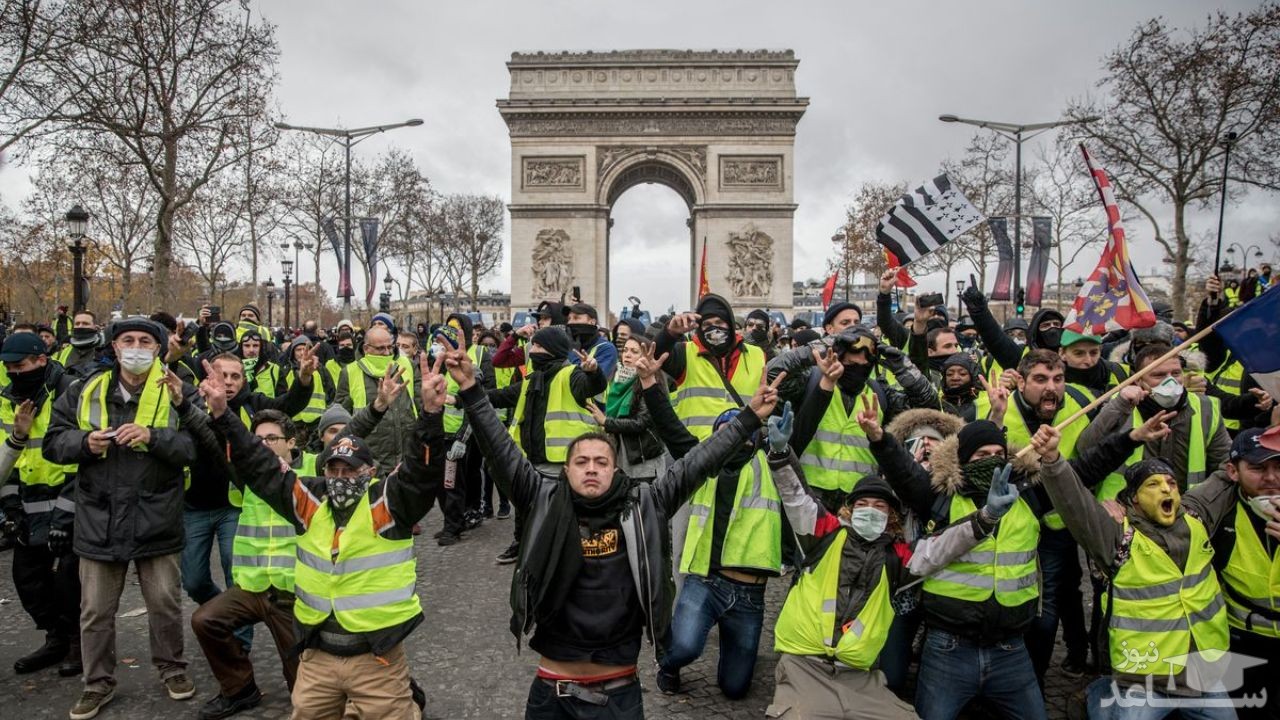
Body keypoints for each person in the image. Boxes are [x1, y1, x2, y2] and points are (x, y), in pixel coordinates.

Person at [450, 340, 782, 719]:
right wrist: (471, 389)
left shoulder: (646, 503)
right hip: (550, 690)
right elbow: (501, 451)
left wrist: (749, 418)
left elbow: (696, 463)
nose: (591, 468)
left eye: (601, 461)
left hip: (619, 693)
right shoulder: (539, 499)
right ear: (567, 470)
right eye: (581, 461)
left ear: (616, 469)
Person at [863, 404, 1158, 719]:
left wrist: (1132, 438)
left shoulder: (1028, 494)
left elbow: (1084, 469)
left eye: (997, 453)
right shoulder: (941, 497)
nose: (990, 460)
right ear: (962, 460)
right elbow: (902, 471)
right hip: (949, 648)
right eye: (980, 455)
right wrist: (880, 439)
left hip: (1010, 650)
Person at [203, 350, 443, 719]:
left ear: (371, 471)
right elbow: (258, 462)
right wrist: (222, 414)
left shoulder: (389, 504)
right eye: (334, 469)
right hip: (317, 656)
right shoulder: (308, 501)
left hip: (376, 658)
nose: (341, 478)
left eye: (351, 471)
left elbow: (421, 475)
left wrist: (429, 416)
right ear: (323, 470)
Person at [768, 463, 1022, 720]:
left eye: (879, 506)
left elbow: (941, 547)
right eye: (862, 504)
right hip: (804, 667)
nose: (870, 510)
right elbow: (797, 498)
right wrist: (780, 456)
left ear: (890, 516)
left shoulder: (897, 558)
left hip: (860, 679)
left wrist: (987, 516)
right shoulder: (825, 536)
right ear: (850, 509)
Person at [43, 317, 200, 719]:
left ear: (158, 348)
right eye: (127, 340)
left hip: (157, 514)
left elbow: (198, 446)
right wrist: (84, 442)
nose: (135, 346)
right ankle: (97, 683)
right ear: (113, 347)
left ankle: (172, 668)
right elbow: (52, 442)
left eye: (144, 340)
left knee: (164, 603)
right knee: (95, 610)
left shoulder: (178, 391)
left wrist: (154, 437)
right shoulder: (82, 389)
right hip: (99, 515)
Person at [1032, 425, 1237, 720]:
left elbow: (1224, 477)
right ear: (1135, 499)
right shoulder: (1116, 537)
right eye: (1153, 485)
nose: (1166, 489)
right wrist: (1052, 459)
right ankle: (1100, 693)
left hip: (1202, 675)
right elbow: (1075, 503)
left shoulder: (1196, 517)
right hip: (1144, 679)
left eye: (1171, 483)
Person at [187, 403, 374, 720]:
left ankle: (388, 691)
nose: (264, 445)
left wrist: (379, 406)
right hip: (253, 587)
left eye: (272, 438)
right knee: (205, 620)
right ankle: (239, 689)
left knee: (303, 692)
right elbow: (210, 437)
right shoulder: (249, 475)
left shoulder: (316, 469)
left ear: (292, 442)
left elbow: (346, 438)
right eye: (258, 440)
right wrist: (183, 402)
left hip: (292, 595)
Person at [777, 328, 937, 509]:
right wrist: (823, 344)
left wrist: (903, 367)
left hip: (859, 501)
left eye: (864, 366)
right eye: (851, 364)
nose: (857, 370)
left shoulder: (881, 394)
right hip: (808, 495)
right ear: (837, 356)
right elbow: (773, 373)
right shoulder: (810, 382)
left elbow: (929, 409)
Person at [488, 326, 606, 564]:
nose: (533, 350)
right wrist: (461, 397)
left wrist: (594, 373)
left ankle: (570, 559)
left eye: (539, 346)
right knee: (528, 511)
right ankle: (526, 549)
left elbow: (592, 386)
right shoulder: (533, 378)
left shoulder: (571, 374)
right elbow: (501, 395)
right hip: (532, 459)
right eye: (534, 345)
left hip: (563, 462)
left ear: (553, 350)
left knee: (564, 516)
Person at [0, 332, 81, 677]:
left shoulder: (70, 390)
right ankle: (56, 637)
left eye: (20, 366)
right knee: (27, 578)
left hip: (70, 498)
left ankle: (80, 642)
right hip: (29, 501)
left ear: (42, 361)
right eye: (8, 367)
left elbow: (82, 456)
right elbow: (5, 459)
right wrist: (10, 510)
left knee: (68, 579)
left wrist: (67, 513)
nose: (14, 373)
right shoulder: (6, 399)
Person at [1078, 342, 1231, 499]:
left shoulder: (1206, 407)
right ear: (1138, 380)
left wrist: (1201, 503)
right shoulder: (1120, 403)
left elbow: (1225, 464)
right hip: (1124, 510)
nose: (1170, 382)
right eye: (1159, 375)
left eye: (1176, 374)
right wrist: (1119, 405)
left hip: (1185, 510)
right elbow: (1085, 447)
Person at [1212, 427, 1280, 720]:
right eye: (1257, 468)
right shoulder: (1219, 516)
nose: (1271, 478)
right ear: (1233, 471)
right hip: (1243, 645)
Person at [656, 293, 766, 441]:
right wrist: (670, 333)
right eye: (707, 325)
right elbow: (656, 354)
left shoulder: (757, 355)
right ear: (699, 328)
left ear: (730, 324)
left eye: (719, 323)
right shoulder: (684, 353)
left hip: (744, 453)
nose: (714, 329)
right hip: (698, 455)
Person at [334, 325, 420, 478]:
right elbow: (341, 414)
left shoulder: (408, 366)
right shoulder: (350, 372)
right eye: (381, 349)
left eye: (390, 347)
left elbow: (420, 404)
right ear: (367, 348)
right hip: (370, 460)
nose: (387, 353)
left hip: (407, 457)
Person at [586, 334, 666, 482]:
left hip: (643, 461)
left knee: (644, 503)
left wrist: (606, 422)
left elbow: (641, 422)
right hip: (620, 458)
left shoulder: (650, 382)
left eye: (634, 352)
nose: (627, 355)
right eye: (625, 350)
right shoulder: (617, 379)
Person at [564, 303, 618, 380]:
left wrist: (572, 352)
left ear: (592, 321)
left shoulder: (607, 349)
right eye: (568, 319)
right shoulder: (567, 344)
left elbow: (591, 382)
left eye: (576, 318)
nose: (570, 323)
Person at [52, 310, 104, 375]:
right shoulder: (63, 352)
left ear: (95, 327)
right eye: (77, 324)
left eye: (85, 323)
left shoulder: (104, 352)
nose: (80, 326)